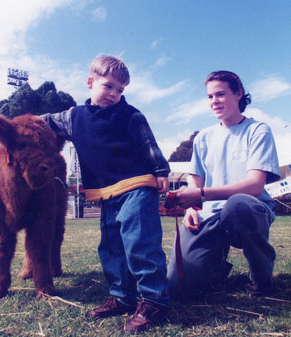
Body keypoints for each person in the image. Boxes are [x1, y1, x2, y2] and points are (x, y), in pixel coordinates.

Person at [41, 55, 170, 333]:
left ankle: (154, 301)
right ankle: (122, 297)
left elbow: (148, 143)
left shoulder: (131, 115)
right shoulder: (73, 117)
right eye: (108, 86)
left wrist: (161, 170)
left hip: (137, 185)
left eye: (120, 90)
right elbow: (44, 122)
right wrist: (17, 126)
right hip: (106, 193)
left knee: (139, 243)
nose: (114, 94)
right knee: (111, 247)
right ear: (90, 82)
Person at [166, 70, 280, 300]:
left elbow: (255, 186)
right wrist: (190, 208)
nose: (214, 101)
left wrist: (201, 194)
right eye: (209, 96)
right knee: (177, 288)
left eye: (220, 94)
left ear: (238, 93)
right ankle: (214, 265)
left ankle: (260, 277)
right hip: (210, 215)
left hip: (248, 211)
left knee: (238, 204)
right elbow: (195, 179)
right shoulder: (203, 137)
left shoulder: (258, 130)